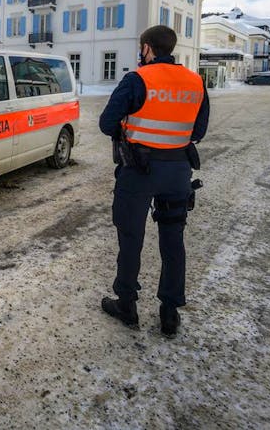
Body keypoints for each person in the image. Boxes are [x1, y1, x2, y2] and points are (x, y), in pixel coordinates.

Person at [98, 25, 209, 337]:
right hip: (178, 170)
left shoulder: (138, 79)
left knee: (131, 237)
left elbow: (106, 123)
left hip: (139, 170)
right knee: (173, 240)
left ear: (147, 48)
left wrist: (128, 129)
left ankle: (127, 305)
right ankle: (169, 313)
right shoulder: (195, 81)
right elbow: (198, 131)